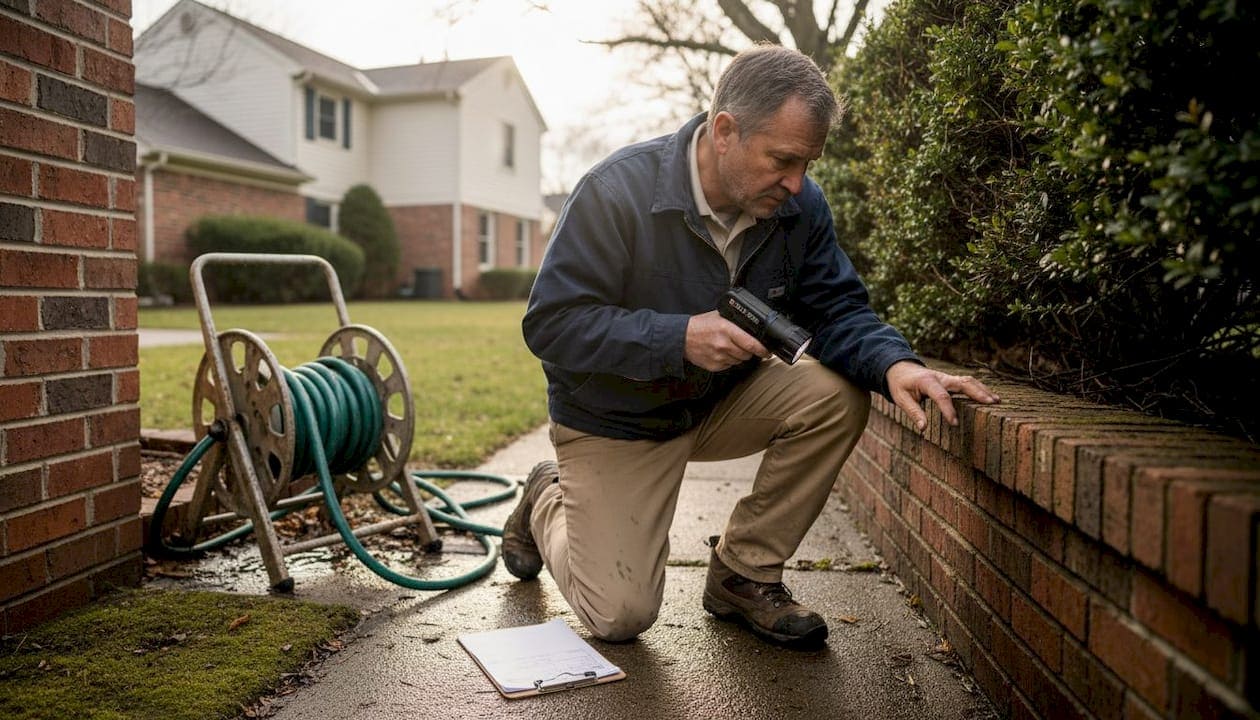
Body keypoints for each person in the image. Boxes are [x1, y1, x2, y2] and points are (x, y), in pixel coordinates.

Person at [506, 44, 999, 648]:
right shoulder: (616, 191)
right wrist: (679, 337)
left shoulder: (799, 207)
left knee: (836, 394)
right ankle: (545, 497)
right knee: (620, 616)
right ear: (724, 131)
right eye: (783, 160)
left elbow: (838, 306)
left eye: (807, 165)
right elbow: (552, 323)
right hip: (617, 420)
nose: (797, 184)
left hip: (719, 403)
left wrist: (895, 363)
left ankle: (744, 572)